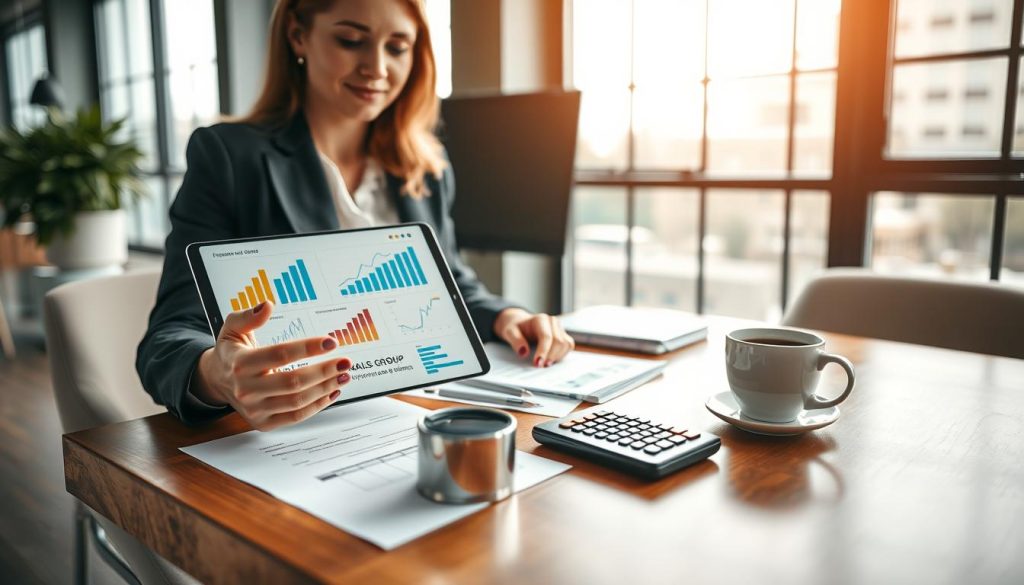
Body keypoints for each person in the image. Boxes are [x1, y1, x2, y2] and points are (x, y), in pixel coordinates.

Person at [137, 0, 574, 431]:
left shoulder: (426, 165)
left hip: (410, 415)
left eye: (397, 47)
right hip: (293, 431)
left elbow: (450, 284)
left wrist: (506, 316)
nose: (377, 68)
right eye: (350, 40)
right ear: (298, 36)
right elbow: (168, 339)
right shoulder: (228, 158)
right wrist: (218, 374)